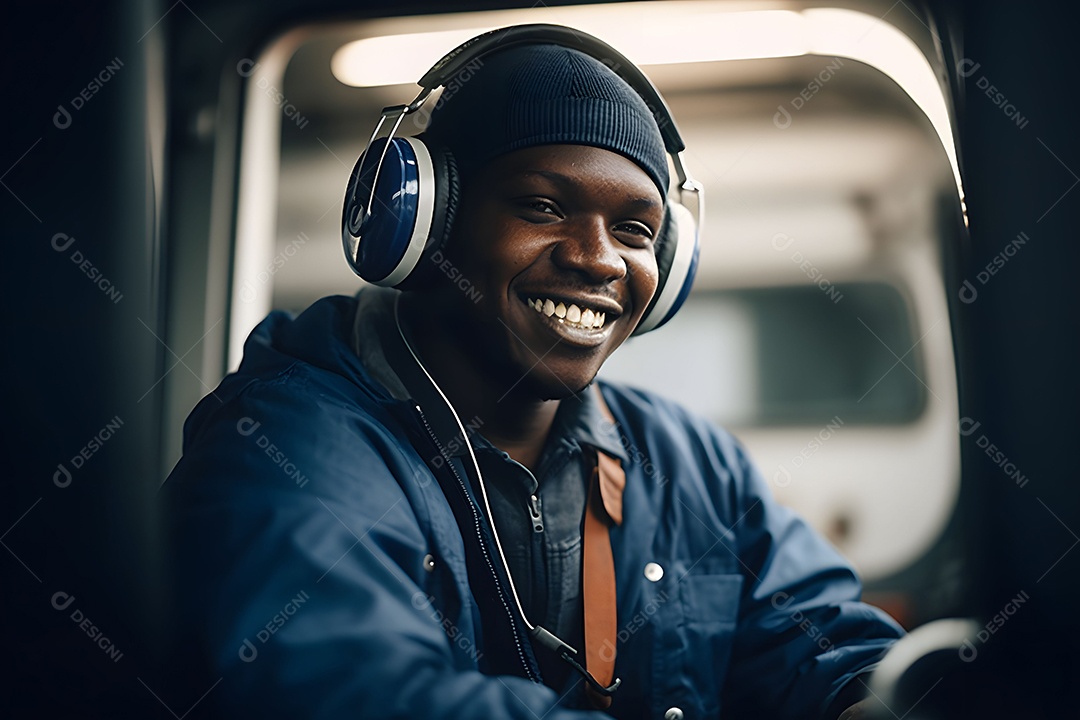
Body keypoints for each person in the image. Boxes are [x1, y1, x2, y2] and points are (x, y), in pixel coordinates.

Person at [166, 28, 903, 720]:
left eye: (635, 231)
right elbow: (363, 691)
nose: (599, 259)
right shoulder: (285, 446)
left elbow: (825, 643)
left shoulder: (688, 459)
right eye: (543, 207)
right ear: (425, 223)